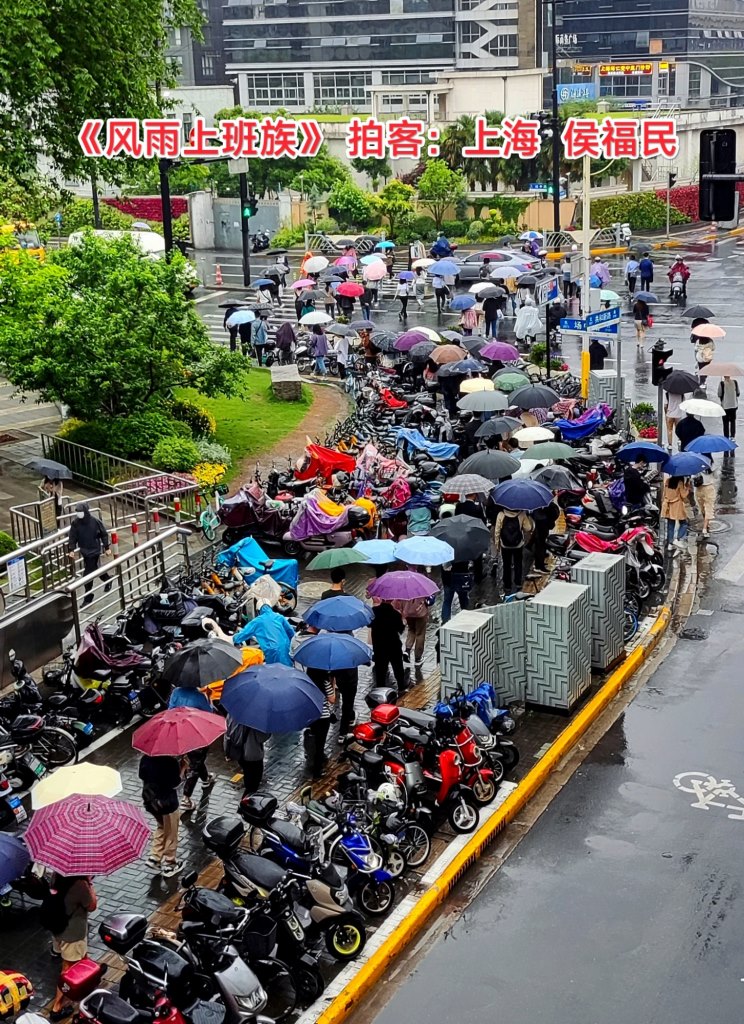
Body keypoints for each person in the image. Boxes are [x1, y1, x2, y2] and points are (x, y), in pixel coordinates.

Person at [47, 874, 98, 1020]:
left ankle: (90, 977)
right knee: (68, 969)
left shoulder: (57, 875)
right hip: (73, 934)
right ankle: (57, 1007)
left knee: (81, 957)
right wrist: (90, 886)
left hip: (58, 927)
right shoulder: (80, 884)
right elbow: (92, 906)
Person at [168, 686, 216, 812]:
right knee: (195, 764)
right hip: (197, 733)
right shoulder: (199, 697)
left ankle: (206, 778)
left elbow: (170, 710)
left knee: (196, 760)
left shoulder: (176, 692)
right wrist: (209, 699)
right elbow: (209, 713)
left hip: (181, 732)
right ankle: (186, 797)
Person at [139, 753, 184, 876]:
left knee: (162, 826)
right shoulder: (171, 762)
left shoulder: (146, 758)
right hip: (167, 804)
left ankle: (155, 856)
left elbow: (141, 775)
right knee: (171, 832)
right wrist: (183, 768)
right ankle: (170, 863)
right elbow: (175, 783)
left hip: (150, 801)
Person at [68, 503, 111, 607]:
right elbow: (72, 536)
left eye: (80, 512)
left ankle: (88, 596)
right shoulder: (75, 523)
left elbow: (104, 534)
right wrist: (71, 549)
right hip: (84, 550)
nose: (79, 514)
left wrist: (107, 547)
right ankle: (107, 579)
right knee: (94, 568)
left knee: (88, 573)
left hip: (94, 550)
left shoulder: (95, 522)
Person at [233, 601, 295, 666]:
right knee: (287, 669)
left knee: (273, 670)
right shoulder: (279, 617)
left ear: (258, 611)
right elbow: (291, 632)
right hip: (286, 648)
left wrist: (233, 639)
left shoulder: (257, 621)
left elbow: (243, 634)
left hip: (272, 650)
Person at [224, 715, 270, 793]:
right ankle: (246, 801)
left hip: (238, 752)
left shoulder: (231, 714)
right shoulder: (256, 718)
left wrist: (227, 752)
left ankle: (247, 793)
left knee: (247, 774)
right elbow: (261, 738)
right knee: (253, 783)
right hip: (252, 754)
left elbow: (227, 732)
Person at [493, 508, 533, 595]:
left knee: (506, 565)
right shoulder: (521, 514)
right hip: (518, 544)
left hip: (505, 545)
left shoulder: (501, 514)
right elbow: (528, 528)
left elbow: (497, 531)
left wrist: (497, 545)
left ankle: (507, 585)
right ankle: (518, 583)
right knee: (518, 563)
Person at [304, 668, 335, 777]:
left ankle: (310, 756)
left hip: (312, 716)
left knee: (314, 739)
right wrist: (333, 685)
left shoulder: (307, 683)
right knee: (320, 744)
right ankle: (317, 770)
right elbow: (332, 699)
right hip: (323, 717)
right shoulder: (324, 682)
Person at [370, 599, 406, 689]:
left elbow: (368, 624)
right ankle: (401, 687)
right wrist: (403, 622)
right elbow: (400, 630)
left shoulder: (373, 611)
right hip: (394, 645)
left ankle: (380, 689)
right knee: (398, 667)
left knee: (380, 670)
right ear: (392, 600)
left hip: (379, 646)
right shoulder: (396, 614)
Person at [393, 595, 429, 672]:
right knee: (420, 634)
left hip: (408, 611)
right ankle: (418, 658)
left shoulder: (405, 586)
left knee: (411, 630)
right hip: (420, 612)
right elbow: (430, 601)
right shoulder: (422, 586)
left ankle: (407, 650)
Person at [661, 474, 690, 552]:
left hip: (668, 505)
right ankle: (678, 538)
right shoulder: (680, 482)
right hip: (677, 505)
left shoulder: (668, 481)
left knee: (671, 526)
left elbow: (664, 494)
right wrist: (687, 488)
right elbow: (683, 495)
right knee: (684, 523)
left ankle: (670, 544)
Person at [530, 500, 559, 574]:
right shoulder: (545, 504)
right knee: (541, 545)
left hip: (541, 522)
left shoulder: (536, 503)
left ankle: (539, 563)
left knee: (540, 544)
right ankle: (539, 566)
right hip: (542, 523)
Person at [440, 559, 473, 623]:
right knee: (463, 600)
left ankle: (445, 622)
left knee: (447, 601)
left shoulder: (446, 552)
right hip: (461, 579)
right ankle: (466, 619)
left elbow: (443, 566)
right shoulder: (462, 551)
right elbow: (466, 564)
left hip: (448, 579)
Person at [694, 466, 716, 537]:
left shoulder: (697, 464)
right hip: (709, 488)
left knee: (702, 508)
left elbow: (693, 476)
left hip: (699, 488)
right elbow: (716, 476)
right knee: (709, 508)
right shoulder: (711, 464)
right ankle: (705, 528)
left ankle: (706, 524)